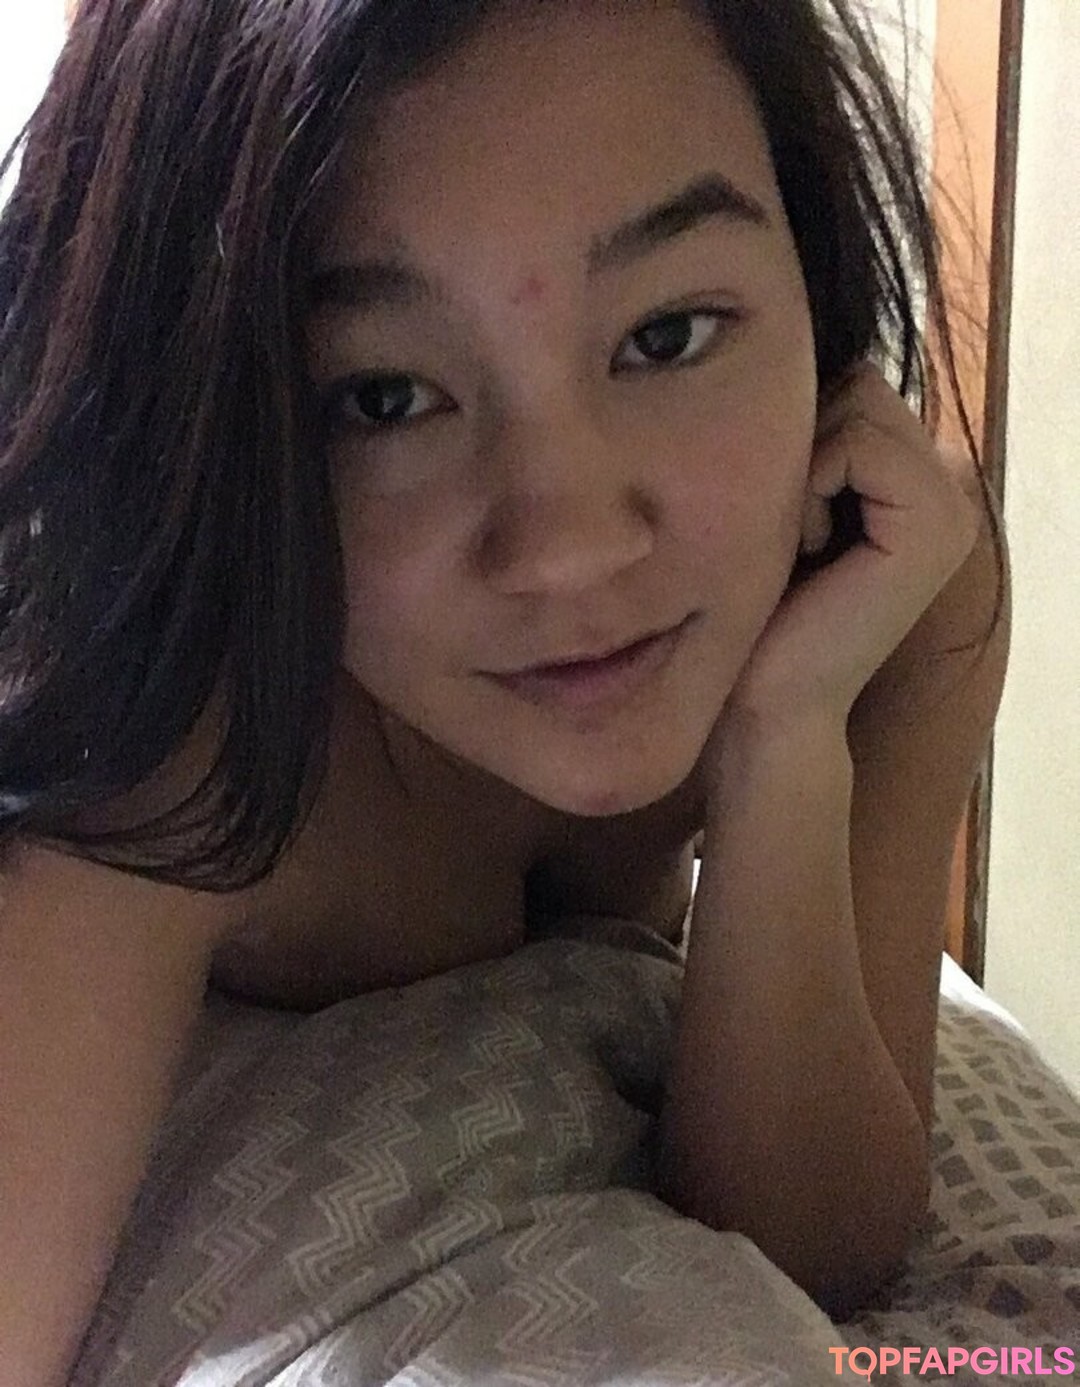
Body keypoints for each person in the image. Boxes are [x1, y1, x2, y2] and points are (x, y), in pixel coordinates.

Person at [0, 0, 1010, 1382]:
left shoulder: (892, 593)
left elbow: (815, 1242)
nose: (568, 547)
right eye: (383, 400)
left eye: (669, 335)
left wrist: (786, 741)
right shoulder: (176, 725)